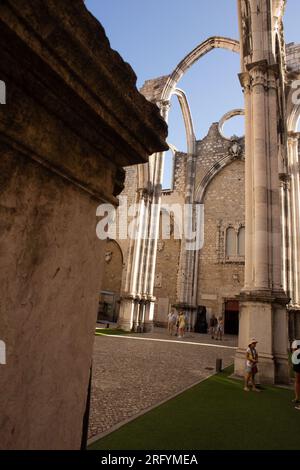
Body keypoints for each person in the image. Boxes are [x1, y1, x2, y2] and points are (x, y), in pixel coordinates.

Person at [291, 339, 300, 410]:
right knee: (297, 381)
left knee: (297, 381)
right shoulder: (296, 342)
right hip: (297, 364)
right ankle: (297, 398)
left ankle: (297, 398)